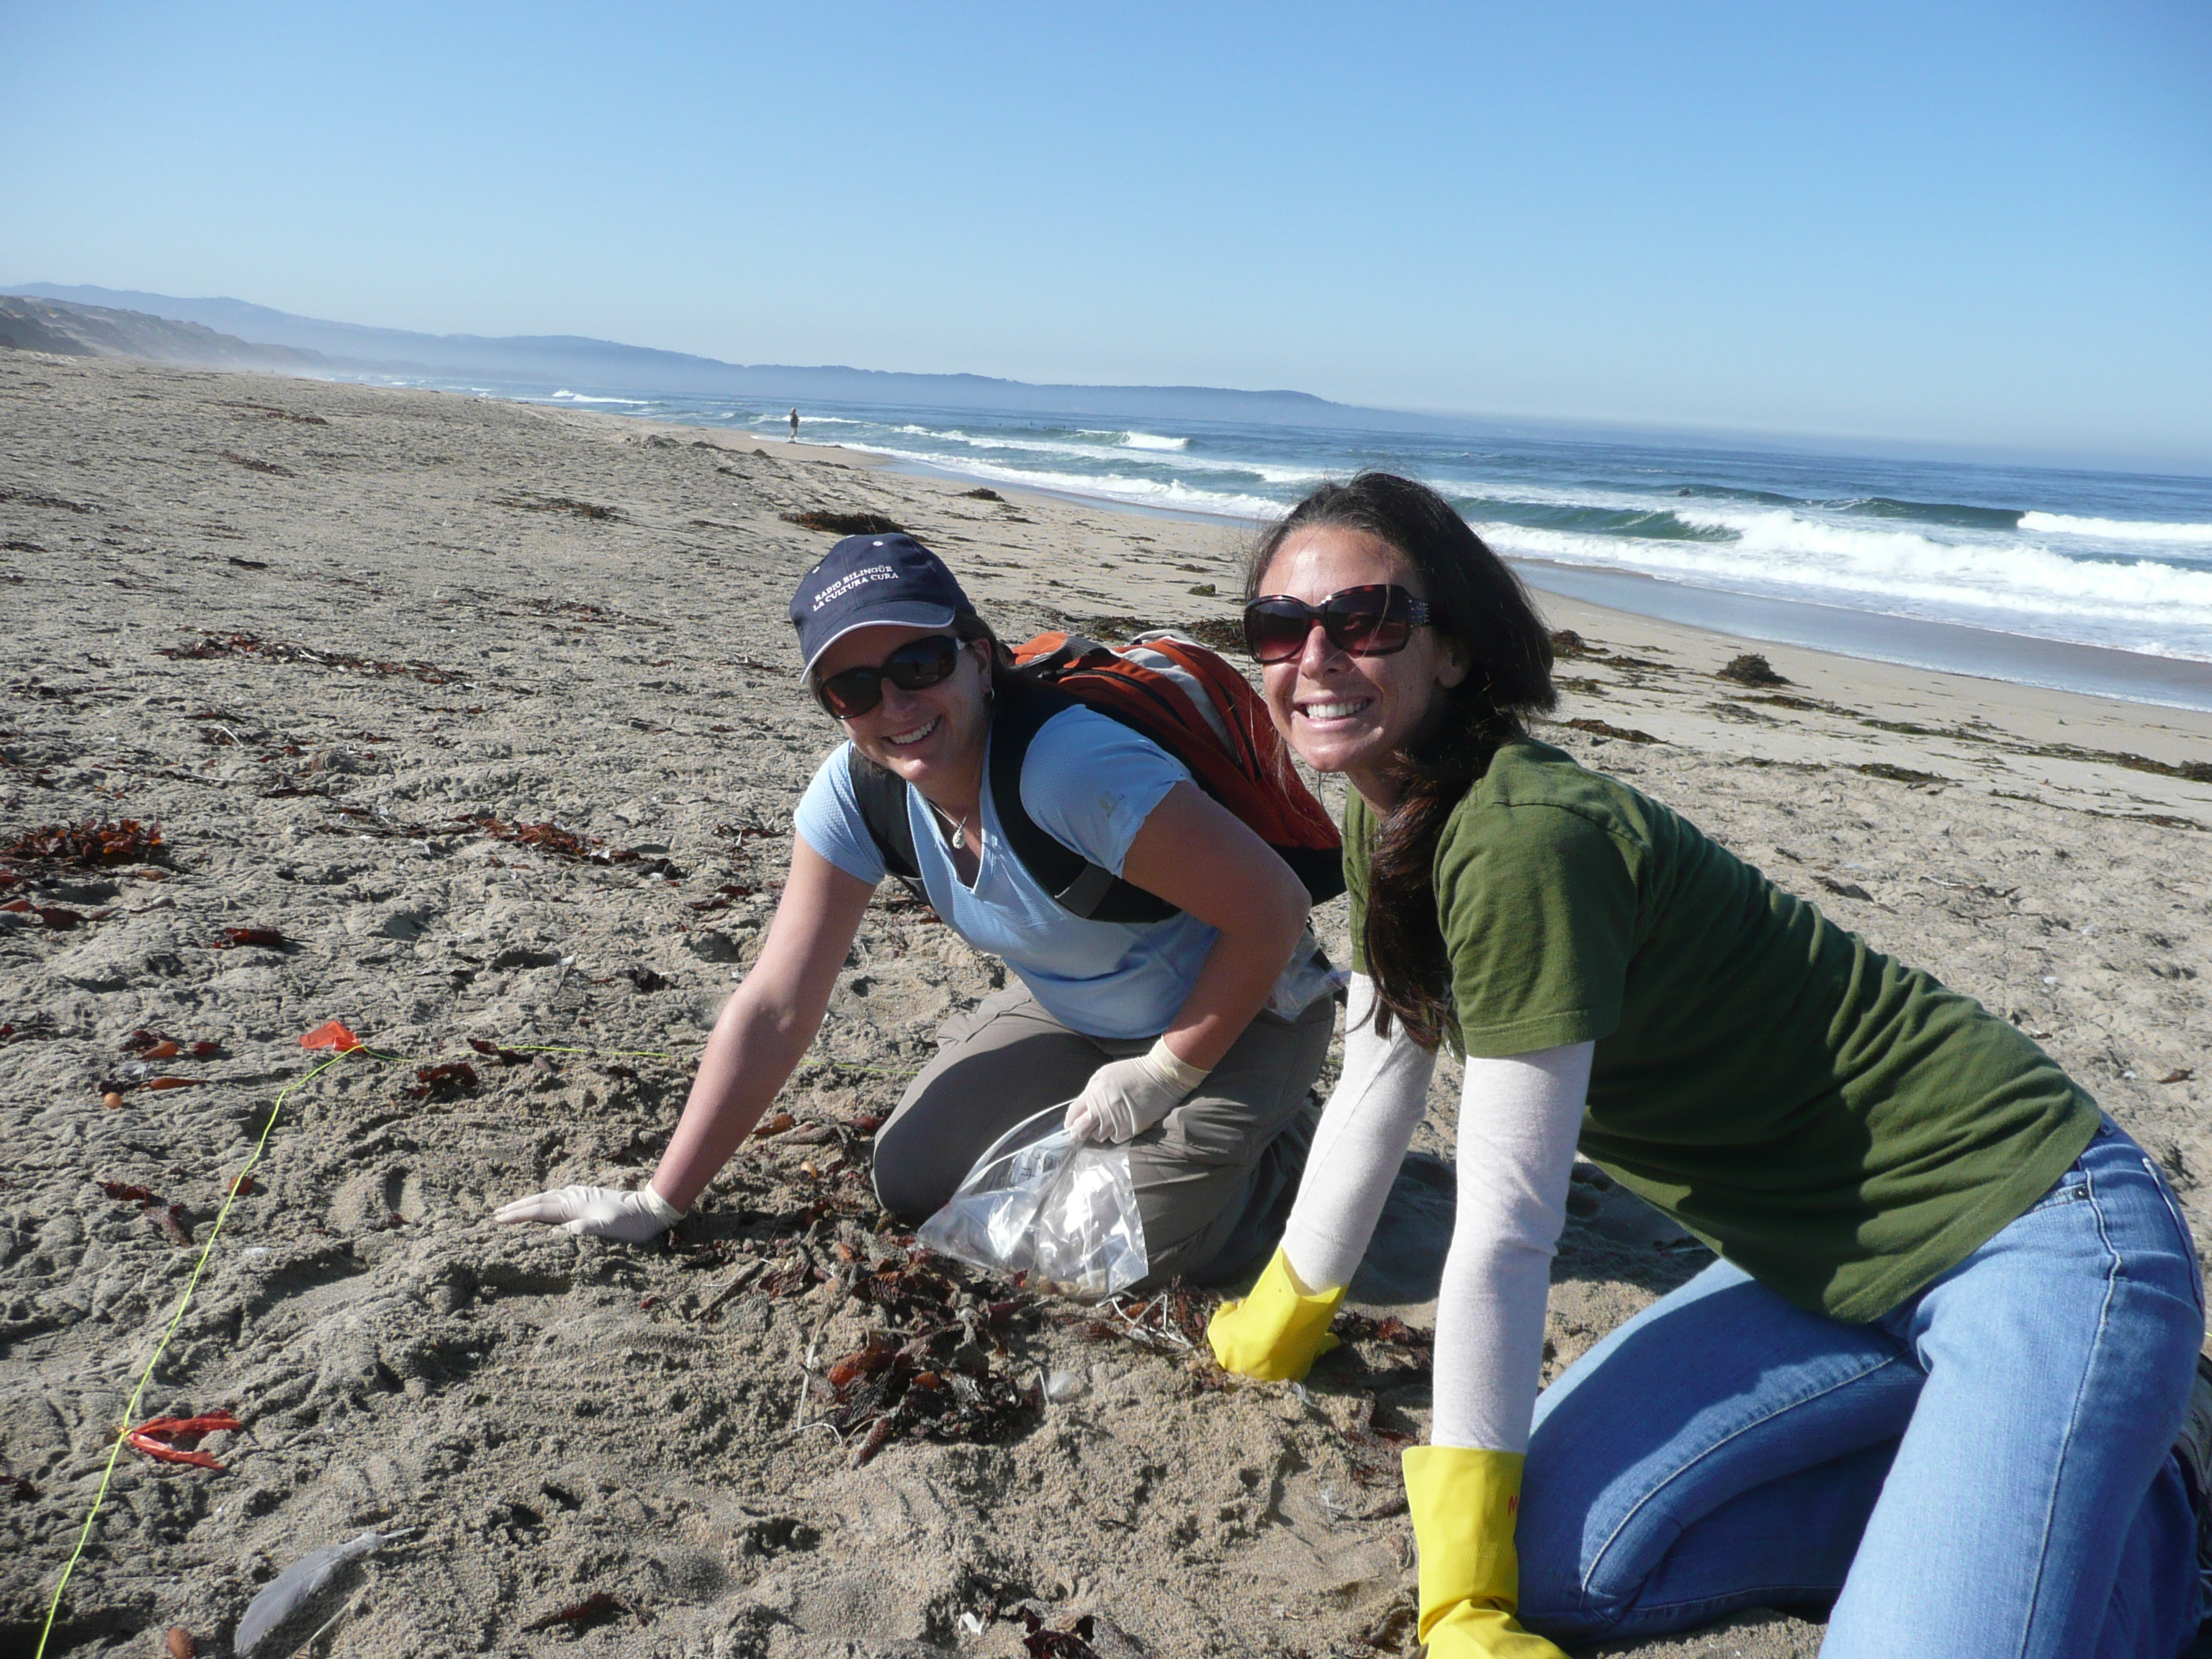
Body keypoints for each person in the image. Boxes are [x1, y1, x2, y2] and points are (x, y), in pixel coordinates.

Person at [1205, 471, 2212, 1658]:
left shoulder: (1526, 836)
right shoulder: (1392, 811)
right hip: (1809, 1260)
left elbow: (1506, 1229)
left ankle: (2156, 1525)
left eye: (1365, 619)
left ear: (1457, 652)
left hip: (2030, 1234)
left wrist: (1456, 1594)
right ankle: (2000, 1499)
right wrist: (1282, 1309)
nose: (1314, 655)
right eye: (1280, 625)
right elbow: (1380, 1071)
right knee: (1558, 1568)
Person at [495, 531, 1334, 1289]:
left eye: (920, 666)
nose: (894, 708)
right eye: (853, 689)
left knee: (1101, 1255)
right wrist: (659, 1200)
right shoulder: (857, 795)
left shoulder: (1070, 770)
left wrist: (1164, 1076)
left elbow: (1274, 910)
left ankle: (1296, 1151)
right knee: (909, 1178)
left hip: (1249, 1009)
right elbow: (779, 1003)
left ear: (976, 654)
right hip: (1077, 1010)